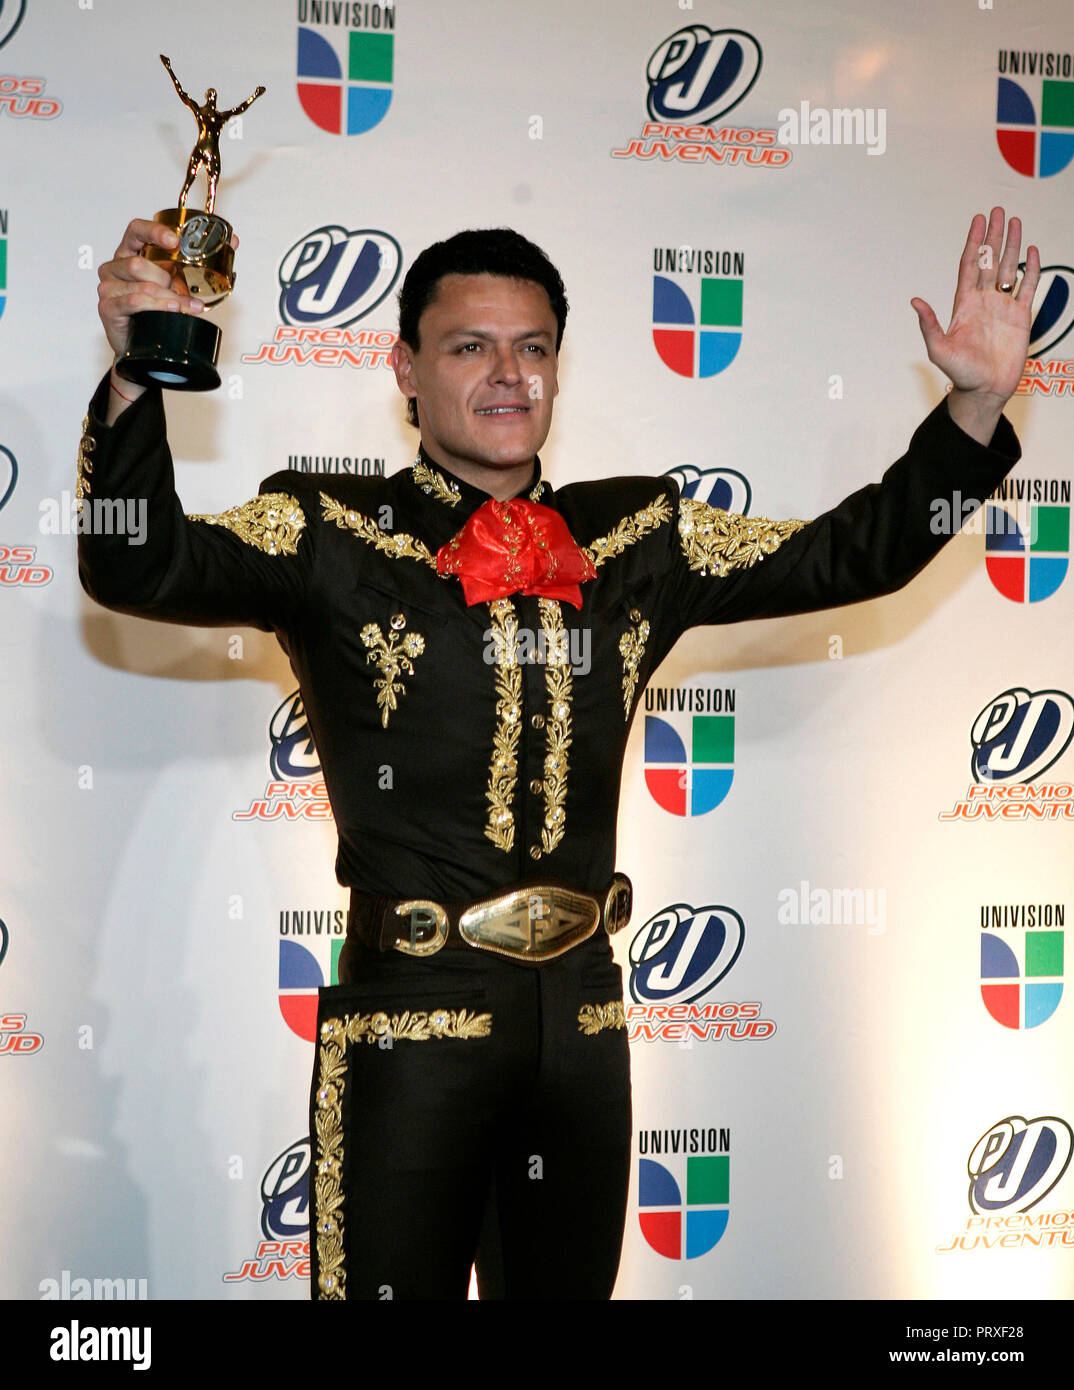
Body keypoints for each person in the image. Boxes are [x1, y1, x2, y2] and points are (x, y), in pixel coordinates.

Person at [82, 208, 1037, 1300]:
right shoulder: (329, 533)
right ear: (405, 368)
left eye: (533, 348)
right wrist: (133, 379)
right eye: (469, 346)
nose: (507, 374)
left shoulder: (638, 538)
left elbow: (854, 554)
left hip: (584, 1027)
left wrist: (972, 409)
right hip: (410, 1024)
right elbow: (135, 566)